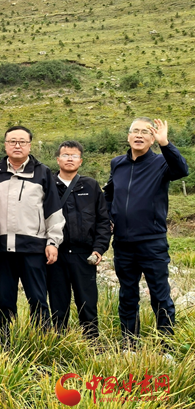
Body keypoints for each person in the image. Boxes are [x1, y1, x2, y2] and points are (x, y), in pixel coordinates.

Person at [104, 118, 188, 348]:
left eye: (145, 132)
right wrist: (109, 217)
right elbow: (109, 194)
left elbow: (182, 170)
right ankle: (129, 343)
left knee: (160, 295)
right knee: (127, 295)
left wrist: (165, 144)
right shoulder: (117, 164)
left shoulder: (161, 162)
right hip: (123, 242)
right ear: (128, 136)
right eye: (135, 131)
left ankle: (166, 346)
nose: (139, 135)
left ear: (152, 139)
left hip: (152, 241)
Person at [0, 126, 64, 346]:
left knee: (37, 300)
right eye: (12, 141)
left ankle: (41, 344)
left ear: (29, 145)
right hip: (2, 251)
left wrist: (53, 242)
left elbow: (53, 211)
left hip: (33, 249)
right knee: (5, 301)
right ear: (5, 145)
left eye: (22, 141)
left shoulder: (43, 173)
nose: (17, 145)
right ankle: (7, 345)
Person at [48, 141, 111, 339]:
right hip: (55, 255)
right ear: (58, 159)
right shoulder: (48, 185)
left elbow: (103, 221)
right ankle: (59, 342)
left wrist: (99, 248)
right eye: (65, 155)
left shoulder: (91, 185)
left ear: (80, 161)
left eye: (74, 155)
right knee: (58, 303)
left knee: (87, 302)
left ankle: (92, 343)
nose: (70, 159)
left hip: (84, 255)